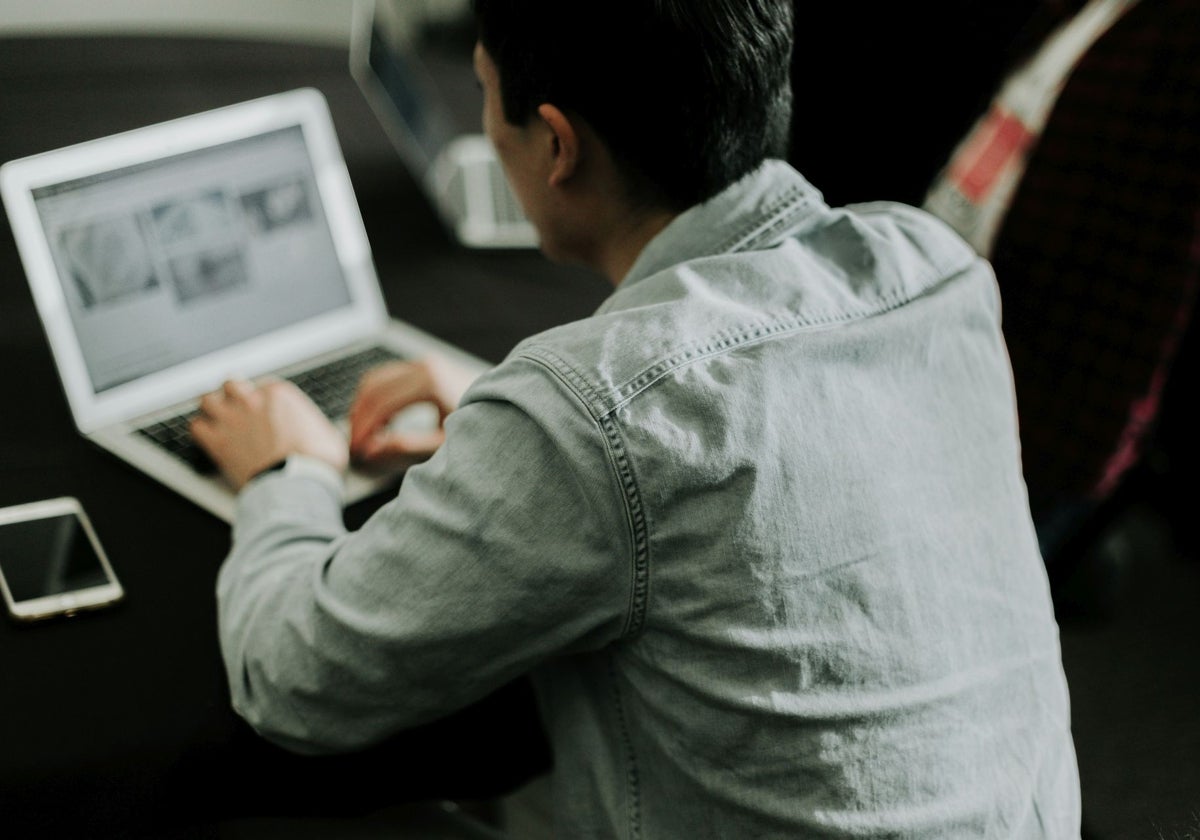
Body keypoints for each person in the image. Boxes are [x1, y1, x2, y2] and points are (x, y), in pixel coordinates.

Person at [190, 0, 1081, 835]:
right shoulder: (933, 267)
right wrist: (513, 422)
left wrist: (287, 472)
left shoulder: (593, 415)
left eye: (486, 98)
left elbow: (295, 681)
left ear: (558, 147)